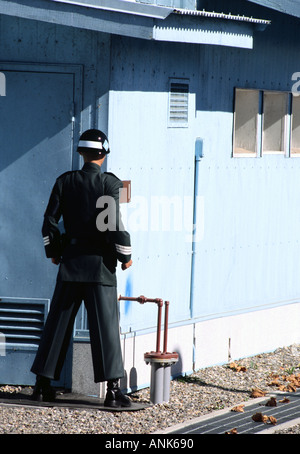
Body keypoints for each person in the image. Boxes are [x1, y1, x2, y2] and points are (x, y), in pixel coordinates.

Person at [31, 129, 132, 408]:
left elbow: (49, 221)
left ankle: (41, 386)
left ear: (81, 153)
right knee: (106, 329)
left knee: (57, 325)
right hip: (100, 267)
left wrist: (54, 252)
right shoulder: (110, 184)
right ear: (104, 153)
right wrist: (125, 255)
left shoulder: (65, 181)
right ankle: (112, 392)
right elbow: (112, 224)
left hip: (71, 263)